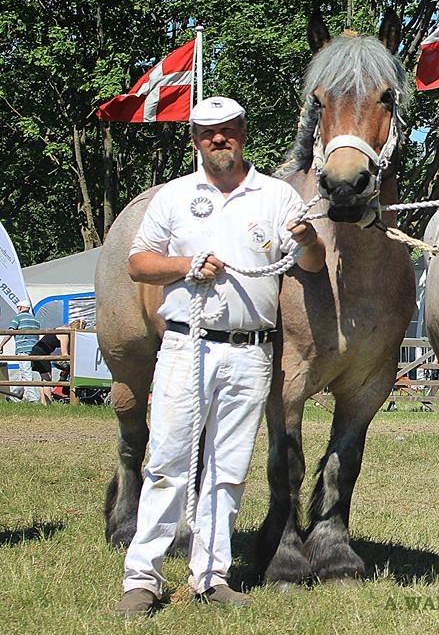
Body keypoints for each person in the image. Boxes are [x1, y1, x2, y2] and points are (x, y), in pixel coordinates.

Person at [117, 96, 326, 617]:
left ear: (243, 132)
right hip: (188, 345)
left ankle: (211, 575)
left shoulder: (275, 197)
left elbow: (315, 265)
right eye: (209, 132)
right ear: (194, 140)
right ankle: (143, 576)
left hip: (250, 353)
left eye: (228, 130)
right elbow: (138, 264)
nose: (219, 139)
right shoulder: (174, 196)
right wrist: (187, 265)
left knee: (228, 469)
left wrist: (308, 239)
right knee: (167, 462)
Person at [28, 319, 83, 405]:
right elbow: (65, 353)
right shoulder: (64, 333)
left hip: (37, 351)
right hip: (42, 353)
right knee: (47, 379)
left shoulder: (61, 329)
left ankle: (44, 403)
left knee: (44, 378)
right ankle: (49, 403)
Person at [0, 300, 41, 402]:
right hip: (34, 349)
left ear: (20, 308)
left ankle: (33, 400)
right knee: (22, 373)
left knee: (26, 374)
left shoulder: (18, 318)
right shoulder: (36, 320)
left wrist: (1, 345)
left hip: (23, 349)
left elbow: (10, 332)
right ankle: (14, 397)